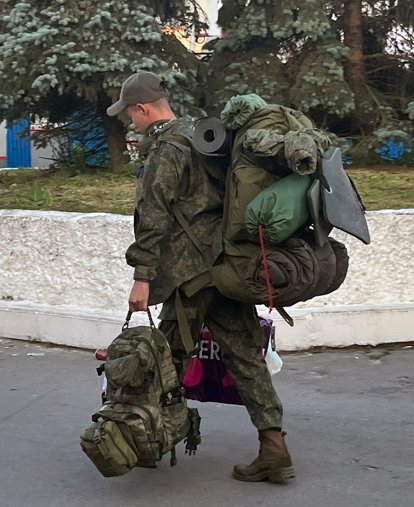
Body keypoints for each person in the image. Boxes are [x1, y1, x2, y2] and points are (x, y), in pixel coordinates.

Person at [106, 71, 295, 484]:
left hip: (190, 275)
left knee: (165, 360)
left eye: (129, 114)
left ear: (142, 108)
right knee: (246, 357)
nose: (130, 122)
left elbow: (154, 213)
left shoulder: (167, 147)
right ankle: (273, 446)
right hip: (225, 266)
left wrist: (142, 276)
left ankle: (144, 440)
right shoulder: (202, 134)